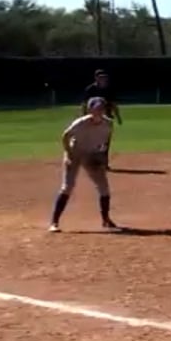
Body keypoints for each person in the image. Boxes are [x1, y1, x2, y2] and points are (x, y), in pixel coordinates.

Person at [50, 98, 119, 232]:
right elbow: (65, 136)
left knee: (104, 188)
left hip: (91, 155)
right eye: (96, 108)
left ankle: (106, 220)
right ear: (90, 109)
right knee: (67, 186)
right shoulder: (81, 123)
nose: (99, 111)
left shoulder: (108, 124)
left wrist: (101, 157)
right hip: (74, 153)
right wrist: (68, 153)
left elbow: (104, 142)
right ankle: (54, 222)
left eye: (101, 108)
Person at [81, 69, 122, 169]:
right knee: (93, 141)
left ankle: (104, 163)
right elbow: (84, 104)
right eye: (101, 77)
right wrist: (84, 117)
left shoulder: (109, 89)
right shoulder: (90, 89)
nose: (103, 79)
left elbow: (113, 104)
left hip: (106, 118)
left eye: (104, 77)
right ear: (96, 78)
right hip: (92, 118)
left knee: (105, 142)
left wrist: (118, 116)